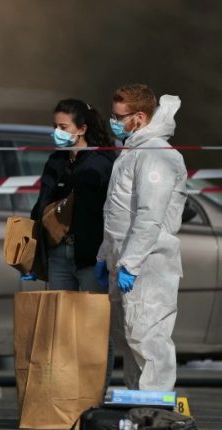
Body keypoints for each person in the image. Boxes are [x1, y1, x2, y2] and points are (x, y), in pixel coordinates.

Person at [95, 84, 187, 391]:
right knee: (129, 338)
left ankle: (156, 409)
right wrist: (104, 255)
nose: (114, 121)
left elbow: (150, 215)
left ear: (140, 116)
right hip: (124, 262)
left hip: (148, 265)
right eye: (113, 115)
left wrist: (131, 264)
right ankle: (138, 406)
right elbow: (119, 212)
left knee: (148, 338)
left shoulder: (157, 155)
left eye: (119, 117)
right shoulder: (133, 152)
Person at [24, 99, 115, 289]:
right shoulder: (55, 161)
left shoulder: (101, 163)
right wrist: (33, 256)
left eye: (63, 127)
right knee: (60, 316)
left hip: (90, 255)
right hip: (57, 253)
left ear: (81, 129)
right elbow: (42, 204)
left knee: (91, 317)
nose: (57, 131)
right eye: (55, 126)